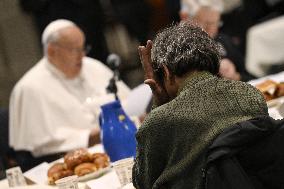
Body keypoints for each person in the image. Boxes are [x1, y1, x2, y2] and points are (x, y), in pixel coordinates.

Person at [132, 21, 268, 189]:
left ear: (166, 72)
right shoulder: (251, 94)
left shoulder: (160, 122)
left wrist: (158, 105)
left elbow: (142, 182)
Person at [9, 19, 130, 171]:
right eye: (74, 50)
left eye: (83, 48)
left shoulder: (93, 66)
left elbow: (129, 103)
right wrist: (89, 136)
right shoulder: (29, 87)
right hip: (68, 166)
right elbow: (41, 146)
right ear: (52, 51)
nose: (82, 55)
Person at [179, 0, 255, 81]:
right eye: (207, 24)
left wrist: (235, 76)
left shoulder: (223, 40)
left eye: (215, 23)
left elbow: (250, 77)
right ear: (188, 20)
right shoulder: (181, 48)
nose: (211, 29)